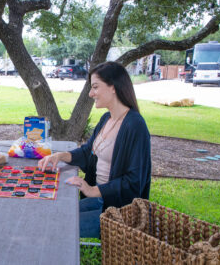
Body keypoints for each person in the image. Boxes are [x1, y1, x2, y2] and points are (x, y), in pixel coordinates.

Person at [38, 61, 151, 238]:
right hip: (99, 200)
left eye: (95, 87)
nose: (91, 94)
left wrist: (91, 190)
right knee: (50, 214)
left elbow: (134, 182)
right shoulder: (107, 118)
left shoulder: (135, 125)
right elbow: (87, 152)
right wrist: (59, 156)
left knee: (55, 226)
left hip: (117, 212)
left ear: (113, 87)